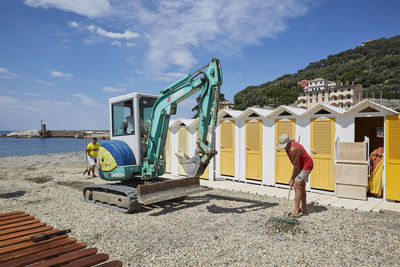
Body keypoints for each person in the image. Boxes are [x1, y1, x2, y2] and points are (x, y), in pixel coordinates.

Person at [278, 134, 313, 217]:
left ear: (288, 142)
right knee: (301, 186)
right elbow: (297, 165)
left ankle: (296, 211)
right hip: (301, 166)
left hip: (306, 166)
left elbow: (296, 166)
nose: (284, 148)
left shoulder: (293, 149)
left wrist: (292, 179)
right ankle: (304, 208)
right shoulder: (290, 145)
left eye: (285, 146)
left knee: (297, 184)